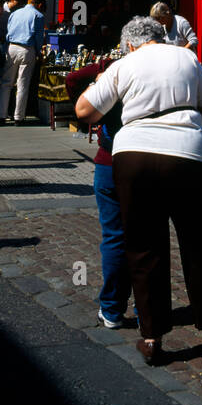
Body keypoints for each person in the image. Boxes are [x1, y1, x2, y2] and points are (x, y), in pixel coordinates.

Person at [75, 16, 202, 364]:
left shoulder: (124, 63)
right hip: (189, 155)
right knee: (200, 244)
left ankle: (151, 337)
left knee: (144, 246)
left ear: (130, 43)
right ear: (162, 36)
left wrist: (103, 85)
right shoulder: (186, 57)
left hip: (136, 155)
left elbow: (84, 110)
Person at [66, 34, 132, 330]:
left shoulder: (110, 66)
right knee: (146, 236)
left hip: (111, 157)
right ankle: (148, 310)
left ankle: (112, 310)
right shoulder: (159, 71)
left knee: (115, 235)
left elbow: (71, 80)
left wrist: (88, 114)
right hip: (145, 159)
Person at [0, 0, 46, 125]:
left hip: (12, 46)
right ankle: (18, 117)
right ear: (39, 5)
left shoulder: (15, 13)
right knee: (22, 83)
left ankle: (1, 115)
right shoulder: (38, 15)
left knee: (6, 82)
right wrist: (39, 51)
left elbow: (8, 32)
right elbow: (39, 38)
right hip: (27, 48)